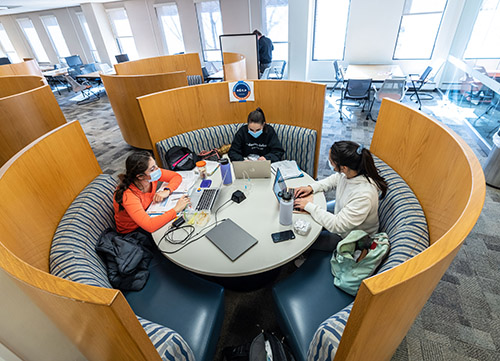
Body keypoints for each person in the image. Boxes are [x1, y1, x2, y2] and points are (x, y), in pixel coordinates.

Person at [294, 141, 388, 251]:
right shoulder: (351, 172)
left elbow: (336, 225)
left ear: (343, 167)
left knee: (305, 241)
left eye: (331, 161)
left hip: (352, 239)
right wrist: (311, 187)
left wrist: (308, 206)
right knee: (308, 220)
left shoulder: (363, 196)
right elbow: (334, 180)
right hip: (343, 219)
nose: (329, 162)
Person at [114, 151, 190, 234]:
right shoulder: (129, 196)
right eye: (152, 168)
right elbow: (150, 226)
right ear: (140, 176)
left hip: (149, 213)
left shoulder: (150, 176)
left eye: (155, 165)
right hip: (133, 231)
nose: (158, 169)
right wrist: (176, 209)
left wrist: (167, 190)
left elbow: (176, 176)